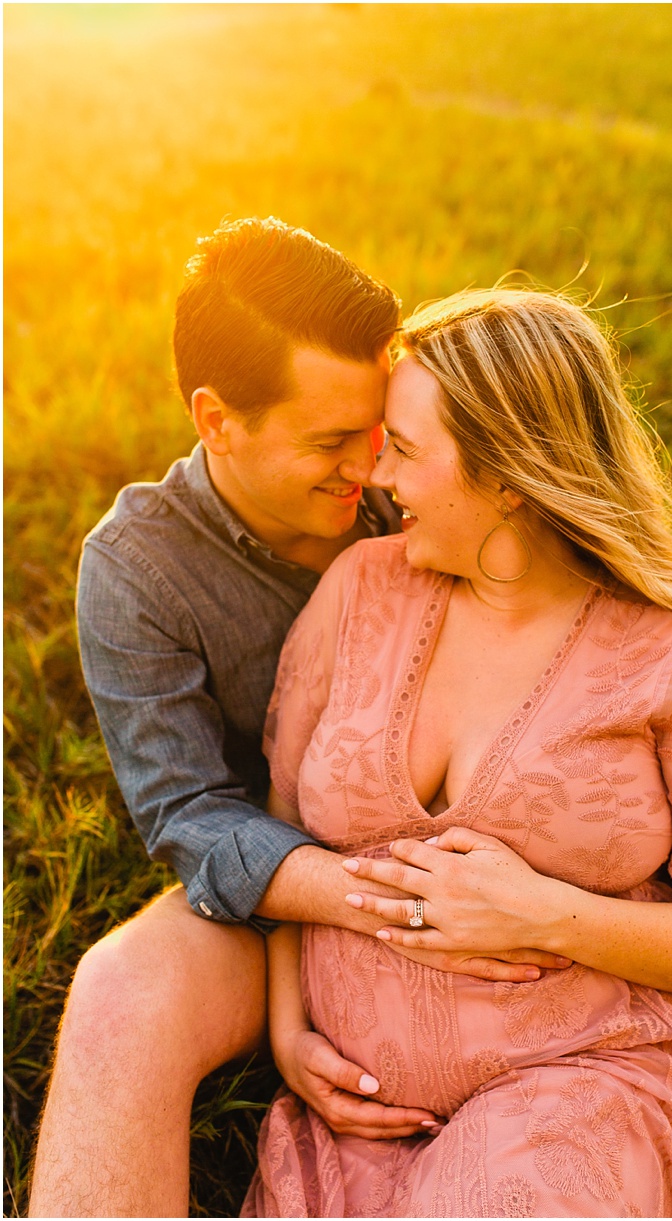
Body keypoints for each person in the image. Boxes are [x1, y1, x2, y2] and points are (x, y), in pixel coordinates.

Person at [27, 221, 572, 1219]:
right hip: (295, 894)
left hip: (533, 844)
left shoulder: (421, 470)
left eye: (382, 434)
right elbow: (193, 816)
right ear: (216, 420)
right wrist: (391, 903)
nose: (372, 472)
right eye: (329, 443)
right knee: (117, 997)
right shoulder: (137, 569)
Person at [241, 287, 672, 1218]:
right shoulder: (360, 590)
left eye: (408, 450)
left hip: (589, 1083)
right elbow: (282, 820)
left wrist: (548, 914)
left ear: (510, 476)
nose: (380, 477)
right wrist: (289, 1026)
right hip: (358, 1116)